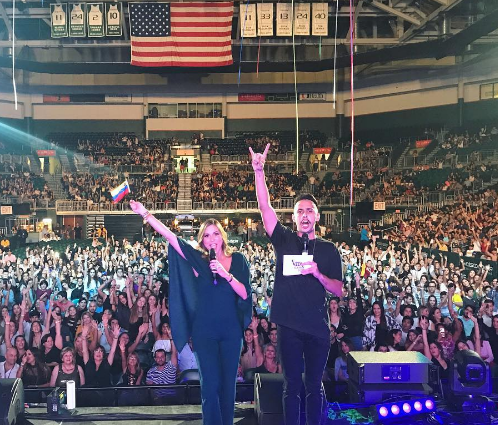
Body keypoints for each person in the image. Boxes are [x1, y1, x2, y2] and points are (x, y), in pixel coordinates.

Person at [130, 201, 252, 425]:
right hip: (204, 332)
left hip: (231, 332)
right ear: (202, 240)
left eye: (216, 234)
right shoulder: (199, 260)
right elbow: (171, 236)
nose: (212, 239)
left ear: (223, 236)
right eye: (207, 235)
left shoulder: (238, 260)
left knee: (228, 387)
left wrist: (225, 274)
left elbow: (245, 293)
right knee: (210, 386)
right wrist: (144, 213)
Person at [250, 144, 344, 425]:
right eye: (299, 211)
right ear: (293, 217)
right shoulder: (285, 240)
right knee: (291, 386)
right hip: (289, 326)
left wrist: (318, 274)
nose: (304, 215)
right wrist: (259, 172)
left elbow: (339, 290)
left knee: (314, 386)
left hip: (317, 328)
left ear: (317, 216)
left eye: (309, 211)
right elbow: (265, 208)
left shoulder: (328, 249)